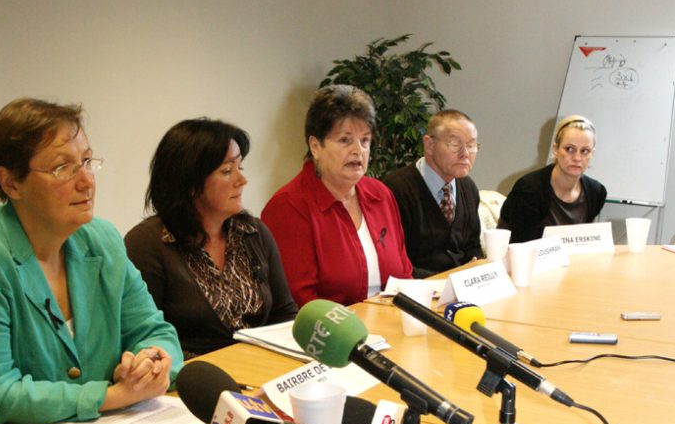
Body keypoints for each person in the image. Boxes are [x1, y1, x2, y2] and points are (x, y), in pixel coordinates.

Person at [0, 98, 183, 424]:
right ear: (11, 183)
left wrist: (149, 364)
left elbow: (154, 332)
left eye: (87, 161)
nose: (86, 181)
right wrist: (112, 396)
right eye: (63, 168)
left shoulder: (102, 240)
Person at [125, 119, 297, 358]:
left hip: (261, 371)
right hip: (190, 380)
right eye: (227, 171)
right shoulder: (148, 244)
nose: (242, 180)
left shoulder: (253, 232)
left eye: (240, 167)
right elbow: (142, 337)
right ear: (190, 183)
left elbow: (285, 314)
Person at [261, 85, 412, 307]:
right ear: (315, 146)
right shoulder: (289, 206)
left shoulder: (381, 194)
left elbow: (405, 276)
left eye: (365, 140)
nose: (357, 150)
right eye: (345, 140)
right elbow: (300, 303)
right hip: (331, 335)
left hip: (391, 327)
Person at [383, 109, 482, 278]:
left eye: (471, 145)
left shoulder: (468, 187)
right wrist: (444, 281)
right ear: (429, 145)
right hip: (416, 290)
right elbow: (395, 262)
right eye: (455, 144)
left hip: (458, 288)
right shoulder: (395, 189)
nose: (465, 154)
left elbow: (472, 247)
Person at [498, 115, 607, 243]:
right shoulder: (529, 189)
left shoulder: (596, 192)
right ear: (556, 149)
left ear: (592, 154)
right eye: (570, 149)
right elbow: (519, 245)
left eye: (585, 151)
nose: (577, 158)